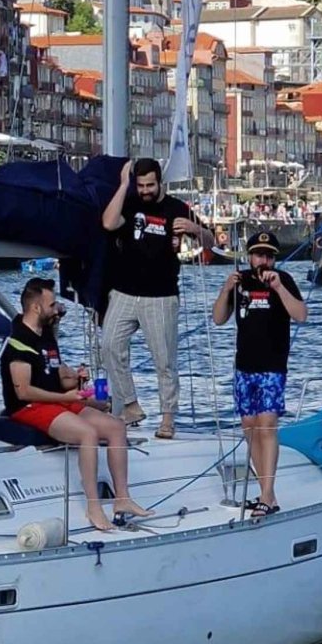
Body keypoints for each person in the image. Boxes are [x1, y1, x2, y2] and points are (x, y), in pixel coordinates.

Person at [1, 278, 149, 532]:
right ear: (36, 307)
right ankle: (93, 506)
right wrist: (67, 398)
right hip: (28, 407)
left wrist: (75, 380)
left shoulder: (46, 334)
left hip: (56, 400)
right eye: (52, 305)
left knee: (115, 427)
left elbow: (56, 375)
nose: (57, 309)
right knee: (87, 433)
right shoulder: (18, 341)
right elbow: (23, 391)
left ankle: (122, 498)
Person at [100, 157, 211, 439]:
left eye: (150, 185)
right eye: (141, 185)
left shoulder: (176, 208)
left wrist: (196, 230)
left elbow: (212, 241)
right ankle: (130, 405)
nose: (145, 191)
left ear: (160, 182)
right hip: (124, 291)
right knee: (110, 346)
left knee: (164, 361)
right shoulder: (130, 202)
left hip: (161, 296)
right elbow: (109, 223)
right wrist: (124, 185)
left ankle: (167, 419)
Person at [211, 231, 307, 517]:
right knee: (250, 427)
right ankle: (268, 494)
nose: (263, 261)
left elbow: (301, 315)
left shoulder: (283, 280)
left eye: (268, 256)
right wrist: (226, 290)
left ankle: (267, 494)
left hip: (272, 365)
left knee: (267, 425)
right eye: (258, 255)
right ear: (249, 257)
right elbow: (218, 319)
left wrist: (279, 288)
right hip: (245, 366)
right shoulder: (240, 281)